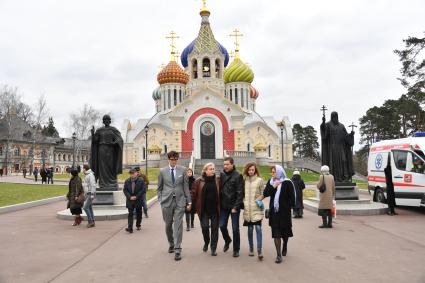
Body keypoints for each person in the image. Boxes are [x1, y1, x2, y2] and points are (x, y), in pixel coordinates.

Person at [157, 151, 191, 261]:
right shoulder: (162, 171)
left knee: (178, 225)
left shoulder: (183, 170)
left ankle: (177, 249)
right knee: (168, 225)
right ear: (168, 159)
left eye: (176, 159)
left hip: (179, 201)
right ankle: (171, 243)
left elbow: (186, 187)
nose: (174, 161)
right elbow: (159, 188)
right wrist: (160, 200)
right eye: (172, 159)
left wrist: (188, 201)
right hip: (166, 202)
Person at [262, 165, 295, 264]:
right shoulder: (271, 182)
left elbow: (292, 199)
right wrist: (273, 186)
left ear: (280, 172)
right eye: (271, 172)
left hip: (284, 213)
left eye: (274, 172)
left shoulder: (287, 183)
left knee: (285, 233)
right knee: (276, 233)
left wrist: (286, 206)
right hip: (274, 213)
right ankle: (278, 255)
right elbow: (266, 193)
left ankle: (285, 245)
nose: (272, 174)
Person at [192, 163, 220, 256]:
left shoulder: (218, 180)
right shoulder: (198, 181)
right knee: (204, 227)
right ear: (205, 171)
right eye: (210, 169)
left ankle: (213, 248)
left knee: (215, 229)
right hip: (204, 210)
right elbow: (194, 194)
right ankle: (207, 242)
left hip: (215, 210)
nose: (212, 170)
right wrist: (192, 206)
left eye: (213, 169)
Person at [90, 114, 123, 190]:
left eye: (107, 120)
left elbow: (120, 139)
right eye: (105, 120)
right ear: (103, 121)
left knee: (111, 166)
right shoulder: (99, 130)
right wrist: (92, 134)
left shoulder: (113, 130)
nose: (106, 121)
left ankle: (113, 182)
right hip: (102, 150)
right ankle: (102, 184)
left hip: (111, 150)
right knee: (102, 167)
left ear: (110, 121)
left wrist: (114, 143)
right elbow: (95, 140)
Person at [219, 157, 244, 258]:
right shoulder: (222, 174)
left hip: (234, 207)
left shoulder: (238, 175)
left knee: (235, 229)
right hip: (224, 206)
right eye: (224, 164)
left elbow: (240, 192)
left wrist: (236, 207)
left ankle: (236, 249)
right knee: (222, 226)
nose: (225, 166)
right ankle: (227, 240)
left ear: (232, 164)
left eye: (227, 164)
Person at [320, 111, 355, 182]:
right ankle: (335, 178)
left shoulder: (341, 126)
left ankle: (345, 177)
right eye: (334, 117)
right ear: (332, 117)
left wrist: (351, 135)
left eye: (336, 116)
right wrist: (323, 123)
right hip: (332, 148)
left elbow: (346, 137)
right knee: (335, 162)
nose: (335, 118)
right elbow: (324, 135)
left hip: (341, 147)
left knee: (344, 161)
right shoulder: (328, 125)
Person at [242, 162, 265, 260]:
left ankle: (259, 250)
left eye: (253, 170)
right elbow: (241, 193)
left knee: (258, 229)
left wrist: (258, 200)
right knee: (250, 230)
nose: (251, 171)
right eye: (249, 170)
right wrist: (243, 201)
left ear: (255, 170)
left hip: (256, 208)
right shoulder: (244, 180)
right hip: (247, 209)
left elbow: (263, 193)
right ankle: (251, 248)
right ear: (247, 170)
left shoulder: (260, 180)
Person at [123, 168, 146, 233]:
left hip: (138, 199)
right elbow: (125, 190)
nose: (132, 175)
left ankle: (138, 224)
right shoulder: (127, 181)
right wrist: (130, 197)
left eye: (133, 173)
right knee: (130, 213)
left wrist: (136, 196)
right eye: (131, 174)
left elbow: (143, 189)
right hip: (130, 200)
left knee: (139, 213)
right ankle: (130, 228)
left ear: (136, 173)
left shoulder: (141, 180)